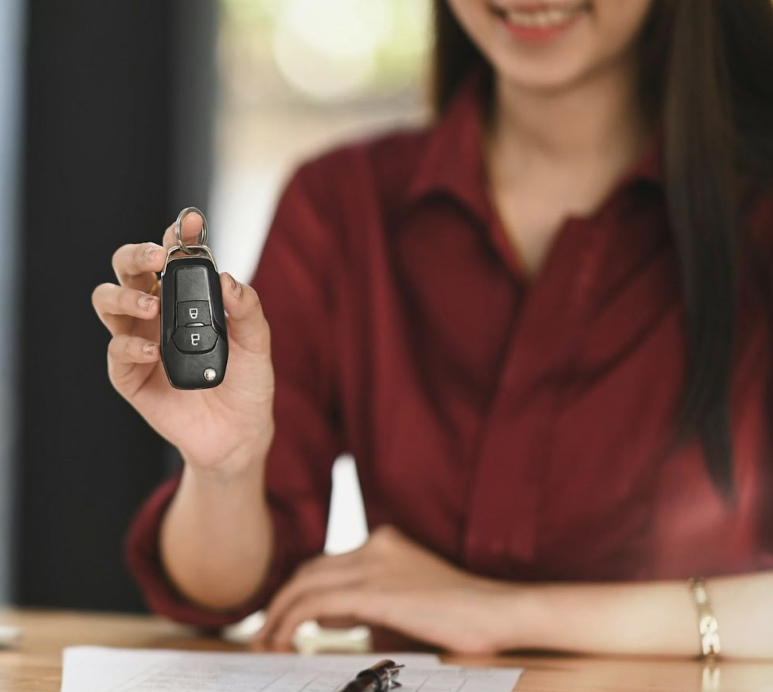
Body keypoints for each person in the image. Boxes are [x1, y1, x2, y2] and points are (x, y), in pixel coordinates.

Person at [92, 0, 773, 658]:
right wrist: (224, 470)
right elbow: (223, 593)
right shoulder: (340, 206)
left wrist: (505, 611)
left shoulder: (758, 218)